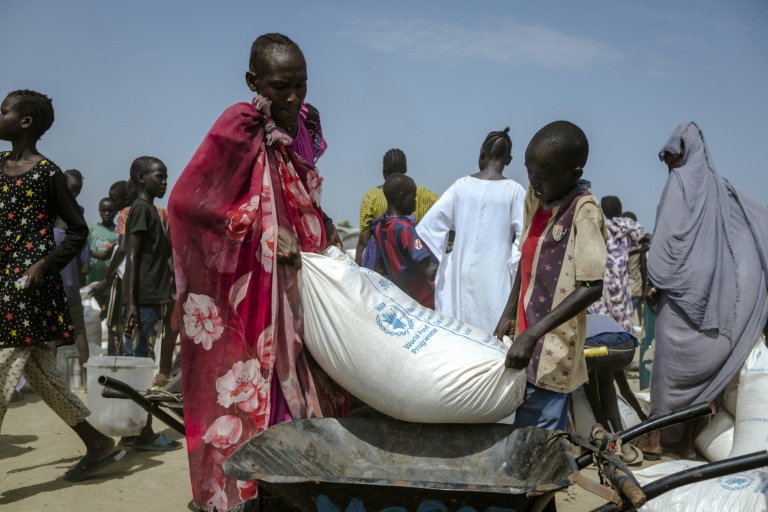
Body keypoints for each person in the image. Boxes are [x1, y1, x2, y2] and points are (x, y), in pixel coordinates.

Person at [168, 33, 348, 511]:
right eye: (280, 86)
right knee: (260, 392)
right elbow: (188, 203)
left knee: (312, 383)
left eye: (300, 86)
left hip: (299, 281)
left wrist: (321, 226)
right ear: (254, 81)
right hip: (257, 295)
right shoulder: (240, 123)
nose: (292, 98)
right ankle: (255, 494)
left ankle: (294, 491)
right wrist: (265, 235)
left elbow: (299, 189)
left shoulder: (304, 123)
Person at [0, 89, 123, 481]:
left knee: (2, 368)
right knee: (43, 377)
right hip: (4, 282)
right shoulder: (0, 165)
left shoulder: (48, 173)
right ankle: (97, 441)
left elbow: (77, 231)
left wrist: (44, 266)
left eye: (4, 110)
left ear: (25, 122)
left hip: (28, 289)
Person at [636, 122, 768, 459]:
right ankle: (686, 443)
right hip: (717, 299)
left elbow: (667, 238)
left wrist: (656, 282)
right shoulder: (724, 190)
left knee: (667, 369)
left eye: (671, 158)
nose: (669, 165)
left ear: (681, 153)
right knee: (706, 376)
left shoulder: (679, 182)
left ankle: (652, 439)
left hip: (682, 295)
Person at [493, 120, 607, 431]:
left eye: (542, 176)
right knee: (520, 428)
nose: (533, 182)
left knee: (536, 437)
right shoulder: (536, 198)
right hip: (526, 338)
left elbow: (592, 287)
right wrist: (508, 314)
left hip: (552, 349)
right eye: (530, 173)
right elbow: (525, 261)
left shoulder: (584, 211)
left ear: (574, 174)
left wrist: (533, 334)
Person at [416, 127, 525, 332]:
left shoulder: (461, 186)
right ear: (509, 160)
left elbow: (430, 227)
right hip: (495, 277)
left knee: (459, 336)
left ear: (482, 151)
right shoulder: (515, 191)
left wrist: (443, 262)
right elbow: (523, 243)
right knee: (492, 338)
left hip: (459, 274)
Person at [121, 156, 181, 452]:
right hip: (141, 302)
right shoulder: (142, 210)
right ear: (142, 178)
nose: (165, 182)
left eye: (166, 176)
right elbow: (131, 256)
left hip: (147, 300)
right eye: (160, 176)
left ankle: (135, 429)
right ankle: (140, 432)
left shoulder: (151, 212)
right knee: (139, 365)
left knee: (140, 364)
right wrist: (131, 302)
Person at [355, 148, 438, 266]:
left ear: (384, 172)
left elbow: (364, 241)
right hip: (415, 261)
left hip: (382, 266)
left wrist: (357, 271)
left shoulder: (371, 196)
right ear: (405, 169)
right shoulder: (422, 193)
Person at [373, 173, 438, 308]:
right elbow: (430, 271)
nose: (415, 202)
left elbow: (379, 270)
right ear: (402, 198)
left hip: (403, 302)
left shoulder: (380, 227)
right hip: (424, 302)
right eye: (413, 197)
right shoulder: (406, 229)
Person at [587, 196, 649, 333]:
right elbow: (646, 237)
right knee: (622, 327)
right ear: (620, 209)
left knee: (603, 327)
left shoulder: (599, 225)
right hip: (621, 283)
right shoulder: (626, 224)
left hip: (603, 283)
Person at [86, 197, 117, 351]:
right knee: (90, 319)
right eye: (103, 210)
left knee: (108, 320)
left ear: (116, 211)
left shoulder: (117, 232)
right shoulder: (92, 229)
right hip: (91, 283)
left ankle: (108, 351)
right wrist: (101, 256)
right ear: (99, 210)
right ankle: (91, 350)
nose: (106, 213)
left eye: (110, 210)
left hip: (109, 285)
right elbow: (84, 251)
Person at [622, 211, 648, 322]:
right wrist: (643, 291)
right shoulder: (640, 242)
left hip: (618, 287)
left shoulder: (617, 240)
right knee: (627, 320)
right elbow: (643, 268)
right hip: (634, 286)